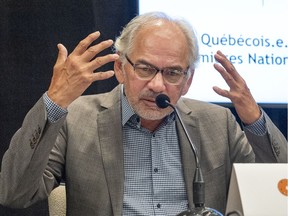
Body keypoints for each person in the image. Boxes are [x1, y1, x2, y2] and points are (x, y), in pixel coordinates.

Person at [0, 11, 287, 216]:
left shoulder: (217, 123)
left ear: (188, 81)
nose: (157, 85)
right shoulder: (76, 119)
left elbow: (279, 191)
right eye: (145, 68)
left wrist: (255, 121)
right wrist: (54, 103)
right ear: (120, 69)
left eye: (173, 72)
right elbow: (14, 194)